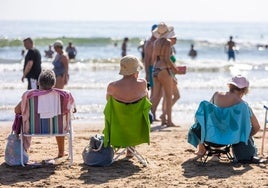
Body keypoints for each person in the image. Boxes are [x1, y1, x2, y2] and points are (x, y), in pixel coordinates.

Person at [194, 75, 264, 163]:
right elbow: (257, 127)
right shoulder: (243, 105)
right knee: (244, 128)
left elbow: (205, 116)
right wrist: (244, 136)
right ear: (244, 90)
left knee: (212, 121)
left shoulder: (216, 95)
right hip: (232, 139)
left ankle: (202, 149)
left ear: (230, 86)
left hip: (210, 138)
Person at [15, 69, 76, 158]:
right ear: (54, 84)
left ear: (38, 83)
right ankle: (61, 152)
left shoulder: (29, 96)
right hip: (58, 129)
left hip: (33, 129)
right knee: (60, 120)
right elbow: (73, 110)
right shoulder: (63, 96)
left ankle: (24, 151)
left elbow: (16, 110)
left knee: (23, 117)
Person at [106, 55, 148, 157]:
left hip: (118, 124)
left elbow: (108, 102)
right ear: (136, 70)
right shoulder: (142, 84)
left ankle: (122, 143)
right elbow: (147, 101)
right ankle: (131, 149)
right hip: (136, 125)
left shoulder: (112, 86)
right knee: (137, 112)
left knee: (119, 112)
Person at [150, 22, 179, 127]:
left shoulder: (156, 42)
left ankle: (143, 113)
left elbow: (154, 58)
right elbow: (167, 59)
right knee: (167, 96)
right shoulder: (167, 42)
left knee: (155, 96)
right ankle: (169, 121)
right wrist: (174, 69)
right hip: (163, 70)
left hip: (155, 69)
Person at [144, 24, 158, 92]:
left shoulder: (157, 41)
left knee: (155, 91)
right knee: (152, 91)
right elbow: (147, 59)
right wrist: (147, 73)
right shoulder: (149, 42)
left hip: (156, 69)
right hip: (151, 69)